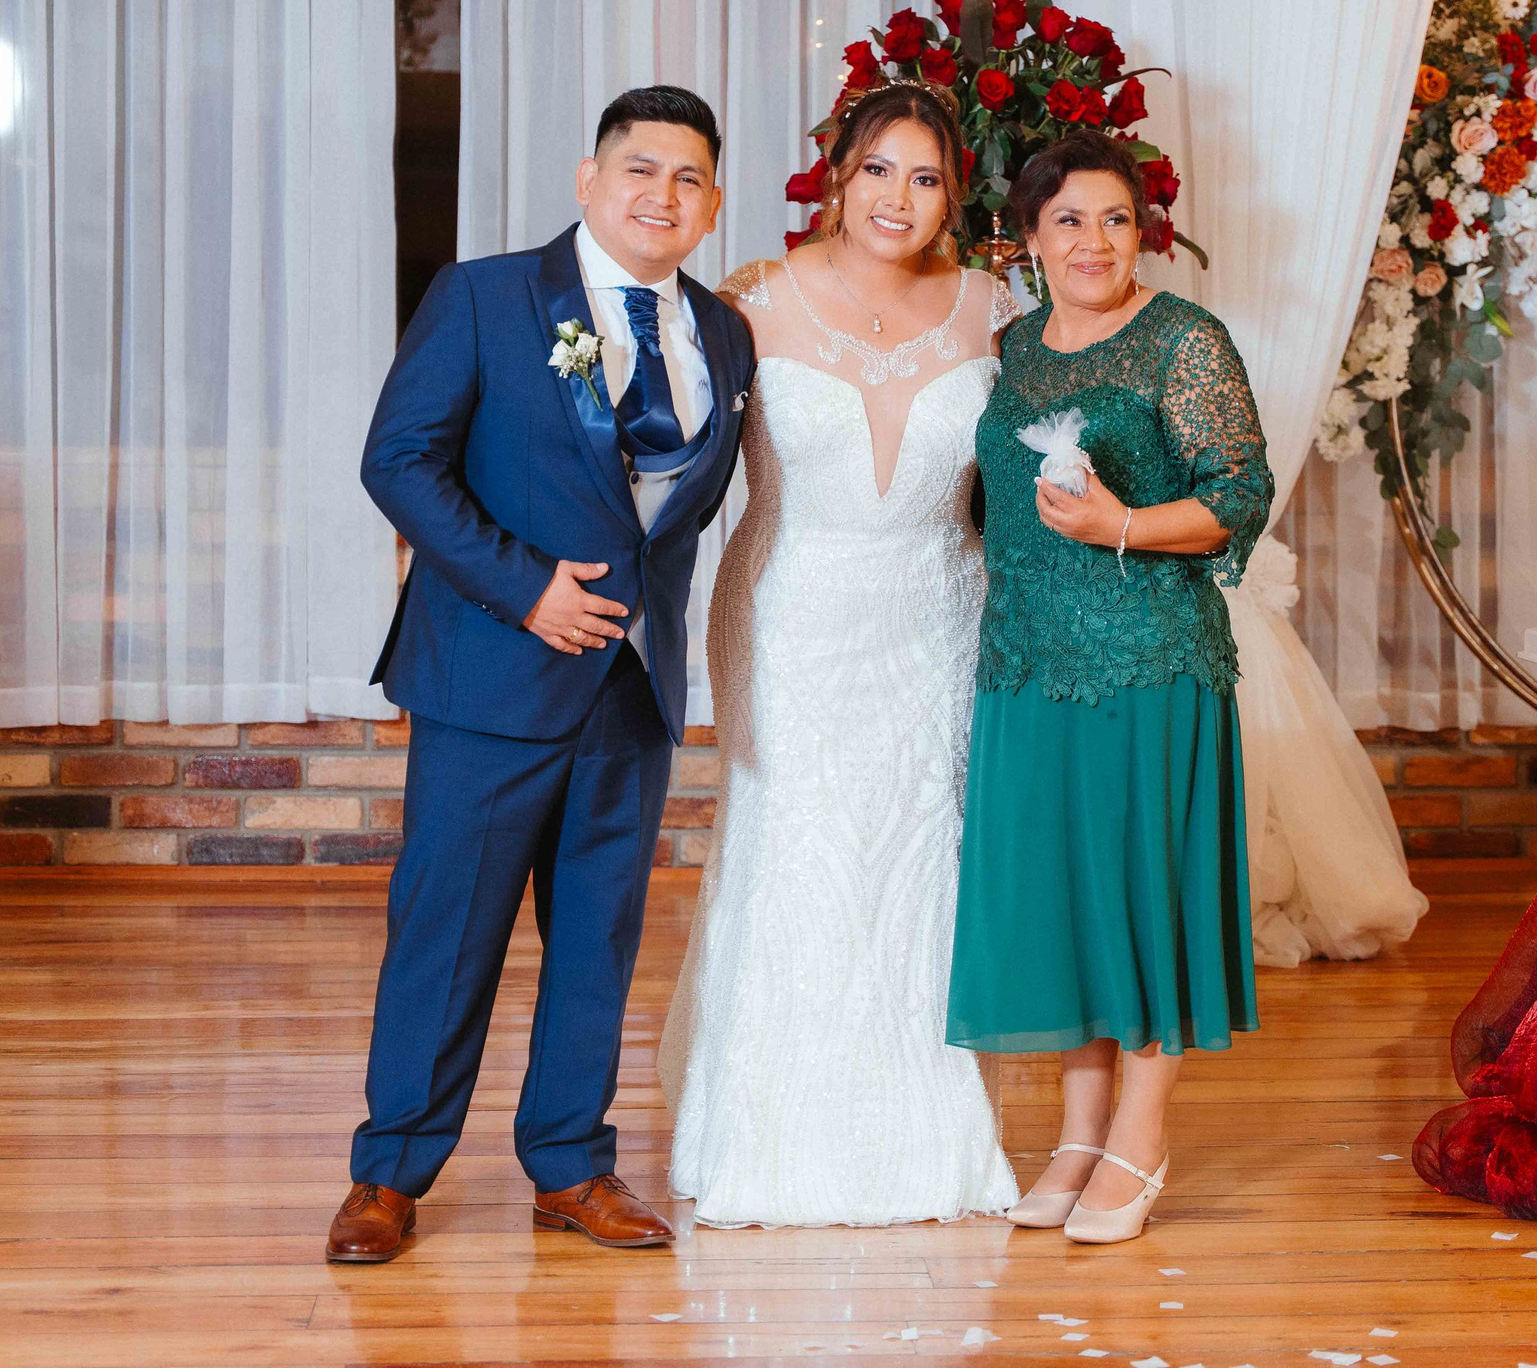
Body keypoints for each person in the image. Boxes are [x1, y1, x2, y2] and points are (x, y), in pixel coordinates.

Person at [327, 86, 755, 1262]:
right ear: (588, 179)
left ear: (713, 203)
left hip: (632, 687)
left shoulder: (724, 335)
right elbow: (399, 462)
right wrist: (526, 589)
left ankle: (571, 1165)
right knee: (446, 931)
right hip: (492, 673)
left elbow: (676, 513)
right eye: (640, 169)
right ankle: (389, 1172)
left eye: (688, 179)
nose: (662, 195)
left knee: (598, 939)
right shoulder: (484, 296)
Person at [658, 82, 1021, 1227]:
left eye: (925, 177)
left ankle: (932, 1136)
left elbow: (1030, 476)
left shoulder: (993, 307)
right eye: (877, 170)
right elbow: (663, 456)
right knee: (796, 854)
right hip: (791, 618)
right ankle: (759, 1135)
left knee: (922, 855)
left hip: (939, 619)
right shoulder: (751, 302)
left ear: (953, 197)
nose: (897, 198)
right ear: (837, 177)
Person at [948, 130, 1271, 1245]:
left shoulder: (1183, 339)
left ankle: (1140, 1132)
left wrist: (1121, 524)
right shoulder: (1013, 346)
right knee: (1065, 903)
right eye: (1069, 221)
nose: (1094, 242)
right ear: (1029, 239)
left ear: (1143, 233)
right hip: (1027, 663)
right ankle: (1078, 1135)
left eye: (1116, 219)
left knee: (1142, 896)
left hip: (1148, 661)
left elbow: (1240, 494)